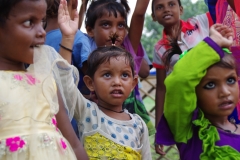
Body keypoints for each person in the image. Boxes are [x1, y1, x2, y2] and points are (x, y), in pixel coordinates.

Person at [0, 0, 88, 159]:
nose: (42, 32)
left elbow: (74, 144)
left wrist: (68, 38)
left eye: (42, 22)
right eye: (29, 23)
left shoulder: (46, 81)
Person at [155, 24, 240, 159]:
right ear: (192, 92)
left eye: (230, 80)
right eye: (210, 85)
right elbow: (180, 80)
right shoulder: (187, 131)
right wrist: (214, 44)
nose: (225, 92)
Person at [84, 0, 155, 135]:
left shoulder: (129, 48)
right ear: (90, 30)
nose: (114, 32)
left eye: (121, 25)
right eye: (106, 24)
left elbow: (139, 14)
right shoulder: (88, 53)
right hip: (99, 126)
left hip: (131, 128)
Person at [72, 46, 151, 159]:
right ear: (90, 83)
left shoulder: (139, 125)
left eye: (124, 75)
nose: (117, 82)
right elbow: (65, 84)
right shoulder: (87, 111)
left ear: (133, 83)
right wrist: (68, 38)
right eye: (107, 75)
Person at [151, 0, 214, 131]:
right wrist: (159, 127)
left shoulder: (201, 22)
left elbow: (219, 7)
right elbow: (161, 88)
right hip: (188, 108)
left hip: (215, 97)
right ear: (153, 16)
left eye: (171, 4)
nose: (166, 9)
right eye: (160, 7)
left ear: (181, 10)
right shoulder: (159, 48)